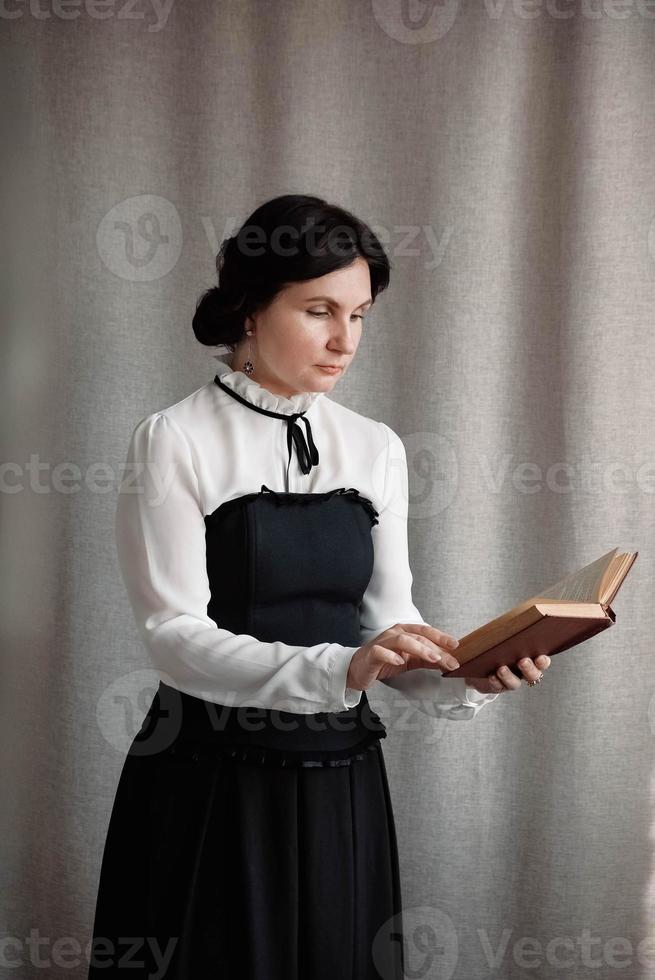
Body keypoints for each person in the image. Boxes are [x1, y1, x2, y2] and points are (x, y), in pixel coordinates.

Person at [87, 194, 551, 980]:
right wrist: (340, 668)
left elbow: (388, 623)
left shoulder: (375, 447)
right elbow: (172, 636)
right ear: (248, 308)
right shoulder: (174, 438)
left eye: (360, 315)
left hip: (341, 779)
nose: (345, 341)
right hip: (212, 779)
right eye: (318, 311)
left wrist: (464, 673)